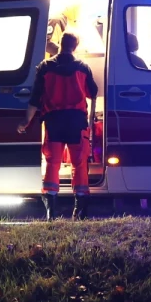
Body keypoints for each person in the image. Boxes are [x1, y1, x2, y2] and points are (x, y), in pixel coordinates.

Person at [18, 32, 98, 220]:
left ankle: (51, 211)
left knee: (52, 164)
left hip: (54, 121)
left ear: (60, 45)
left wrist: (26, 121)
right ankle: (79, 211)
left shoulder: (45, 68)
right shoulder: (83, 67)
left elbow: (35, 98)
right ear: (75, 47)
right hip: (77, 122)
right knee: (79, 164)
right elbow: (92, 93)